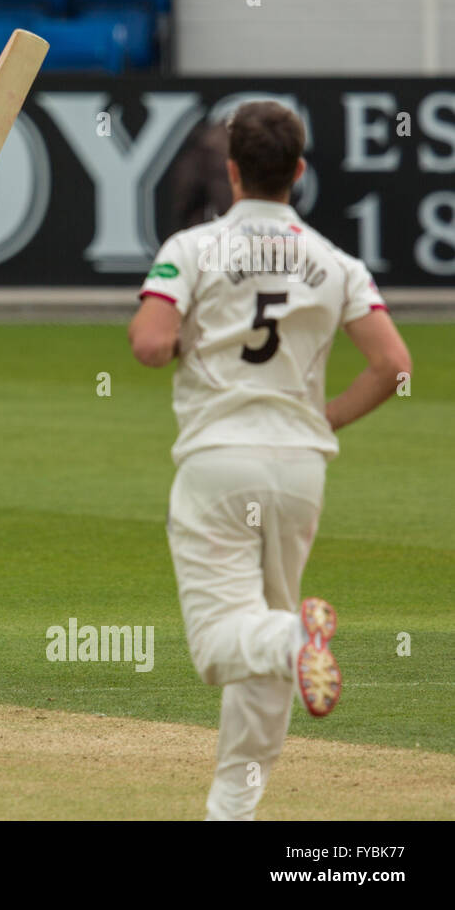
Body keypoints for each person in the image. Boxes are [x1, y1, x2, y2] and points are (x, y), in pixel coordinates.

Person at [128, 100, 411, 818]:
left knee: (225, 645)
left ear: (230, 170)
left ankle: (294, 635)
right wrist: (324, 418)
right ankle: (233, 808)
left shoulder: (190, 249)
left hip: (220, 459)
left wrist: (186, 338)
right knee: (266, 651)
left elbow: (149, 343)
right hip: (299, 468)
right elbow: (393, 366)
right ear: (299, 172)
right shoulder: (335, 261)